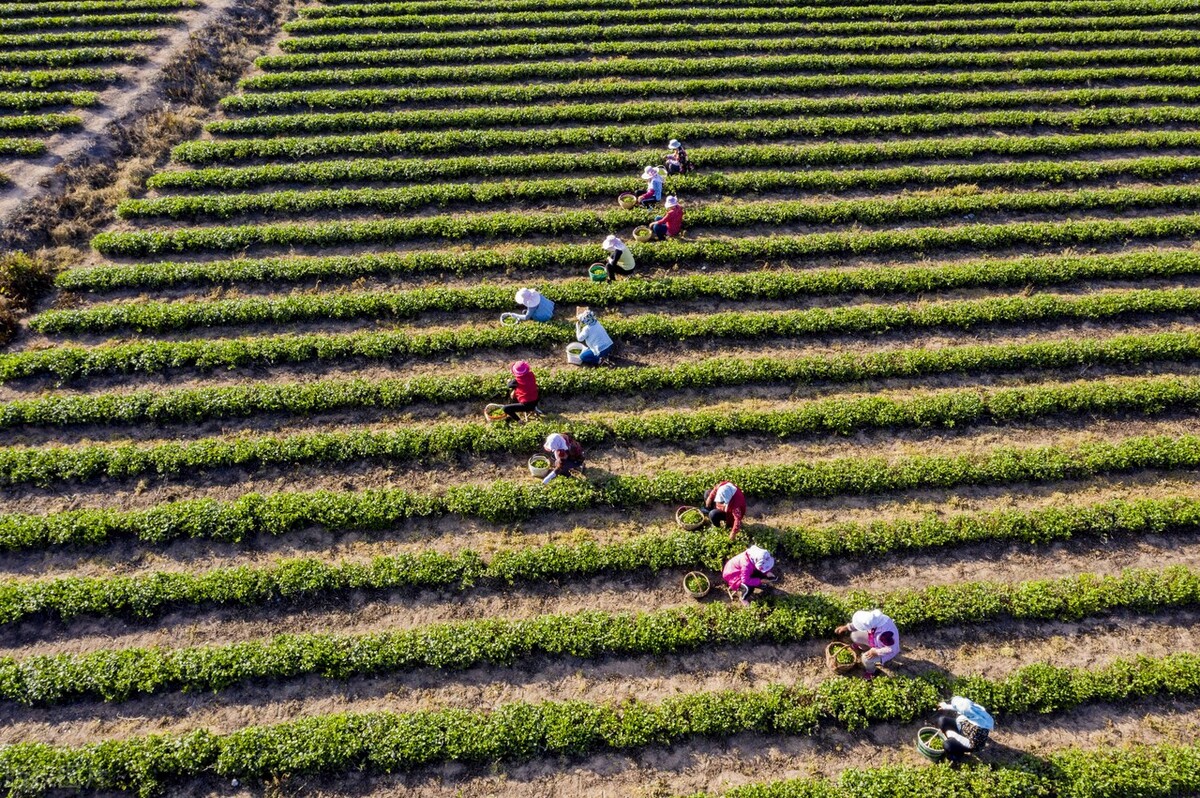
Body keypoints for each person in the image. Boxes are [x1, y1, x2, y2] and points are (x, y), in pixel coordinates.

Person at [835, 609, 900, 679]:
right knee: (854, 635)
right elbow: (861, 624)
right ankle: (864, 647)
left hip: (885, 650)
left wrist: (876, 652)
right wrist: (846, 627)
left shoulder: (885, 634)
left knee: (865, 658)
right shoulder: (875, 619)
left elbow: (891, 649)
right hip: (875, 640)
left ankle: (871, 671)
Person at [931, 696, 994, 761]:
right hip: (964, 727)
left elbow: (972, 744)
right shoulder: (973, 709)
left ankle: (956, 755)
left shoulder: (980, 728)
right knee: (942, 720)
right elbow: (959, 708)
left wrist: (950, 734)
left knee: (947, 745)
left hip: (970, 742)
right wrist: (945, 706)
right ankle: (953, 742)